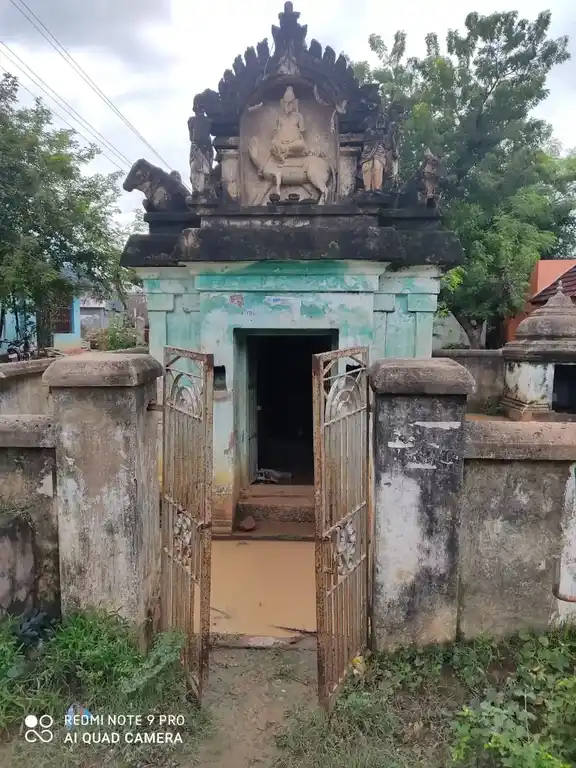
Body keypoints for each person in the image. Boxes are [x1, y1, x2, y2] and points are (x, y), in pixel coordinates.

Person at [270, 87, 308, 163]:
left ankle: (285, 153)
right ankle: (284, 153)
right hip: (282, 144)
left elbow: (302, 132)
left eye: (290, 103)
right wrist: (276, 140)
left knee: (301, 144)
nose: (288, 105)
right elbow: (277, 132)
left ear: (294, 103)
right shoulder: (280, 117)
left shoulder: (298, 116)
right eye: (286, 103)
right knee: (274, 144)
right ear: (283, 104)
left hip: (294, 144)